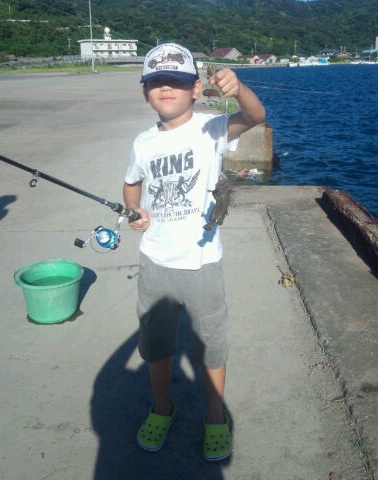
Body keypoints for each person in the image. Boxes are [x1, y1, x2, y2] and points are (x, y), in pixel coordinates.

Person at [123, 42, 265, 462]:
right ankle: (161, 407)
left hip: (203, 263)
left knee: (211, 345)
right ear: (145, 91)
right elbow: (131, 184)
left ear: (196, 89)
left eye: (178, 81)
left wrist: (239, 89)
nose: (167, 87)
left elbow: (255, 116)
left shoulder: (212, 129)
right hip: (155, 261)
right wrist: (134, 210)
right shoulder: (143, 143)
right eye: (157, 81)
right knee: (157, 344)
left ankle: (214, 415)